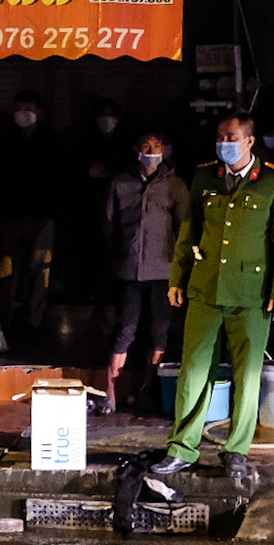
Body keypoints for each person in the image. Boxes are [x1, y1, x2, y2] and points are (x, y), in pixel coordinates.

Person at [150, 114, 274, 484]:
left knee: (248, 376)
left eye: (230, 137)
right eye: (219, 137)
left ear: (249, 141)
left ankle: (237, 451)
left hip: (252, 294)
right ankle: (182, 448)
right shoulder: (205, 177)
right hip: (206, 288)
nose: (222, 143)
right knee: (194, 373)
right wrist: (177, 277)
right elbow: (190, 231)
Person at [104, 132, 188, 410]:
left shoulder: (174, 185)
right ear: (136, 149)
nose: (152, 151)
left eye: (158, 146)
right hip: (128, 271)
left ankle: (149, 389)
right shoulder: (120, 182)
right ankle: (111, 392)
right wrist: (120, 253)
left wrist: (177, 259)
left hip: (163, 271)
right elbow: (109, 224)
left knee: (159, 331)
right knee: (125, 328)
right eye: (147, 146)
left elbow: (184, 226)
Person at [0, 89, 63, 340]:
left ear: (39, 112)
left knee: (39, 273)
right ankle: (4, 325)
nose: (23, 114)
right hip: (10, 218)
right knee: (6, 273)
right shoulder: (6, 141)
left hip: (41, 219)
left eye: (28, 109)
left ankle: (35, 324)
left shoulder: (51, 141)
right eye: (19, 109)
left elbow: (58, 181)